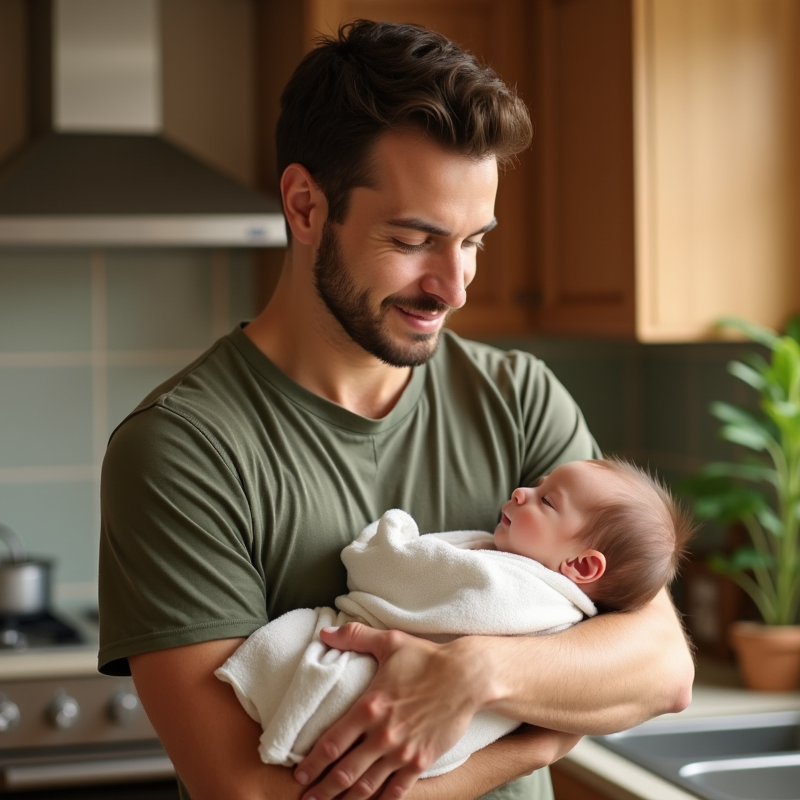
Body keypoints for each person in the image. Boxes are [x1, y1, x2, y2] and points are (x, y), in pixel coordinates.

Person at [97, 19, 694, 800]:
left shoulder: (518, 397)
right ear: (306, 207)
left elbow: (661, 666)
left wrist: (474, 673)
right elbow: (242, 792)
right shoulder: (183, 449)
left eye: (474, 241)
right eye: (415, 240)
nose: (455, 287)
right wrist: (522, 749)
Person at [216, 458, 696, 781]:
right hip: (431, 749)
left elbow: (396, 577)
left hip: (401, 716)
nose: (522, 491)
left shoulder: (517, 592)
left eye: (547, 501)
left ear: (583, 566)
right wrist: (539, 746)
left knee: (297, 646)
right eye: (538, 485)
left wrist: (389, 539)